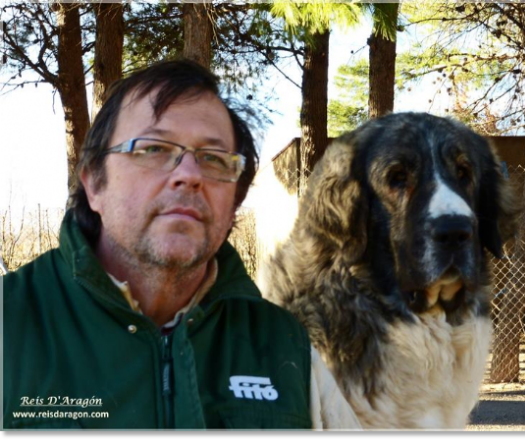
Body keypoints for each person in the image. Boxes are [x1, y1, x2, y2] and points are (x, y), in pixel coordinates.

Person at [3, 60, 361, 430]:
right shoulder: (11, 322)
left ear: (234, 200)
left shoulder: (286, 347)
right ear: (94, 183)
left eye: (214, 159)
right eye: (154, 149)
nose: (189, 175)